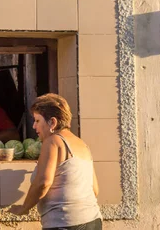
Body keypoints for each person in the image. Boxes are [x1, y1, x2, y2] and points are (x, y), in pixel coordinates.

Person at [9, 93, 103, 230]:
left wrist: (24, 208)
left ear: (52, 122)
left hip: (65, 223)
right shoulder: (82, 144)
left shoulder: (53, 141)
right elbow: (95, 189)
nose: (34, 126)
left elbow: (43, 182)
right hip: (93, 221)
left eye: (37, 121)